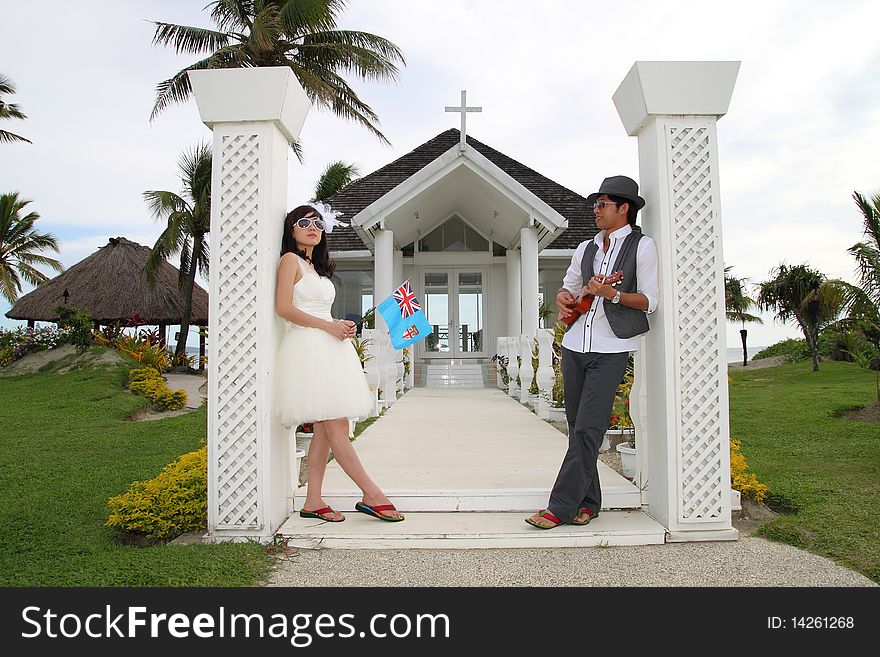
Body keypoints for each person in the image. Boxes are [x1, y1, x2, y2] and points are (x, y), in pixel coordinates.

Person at [526, 176, 659, 529]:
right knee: (577, 428)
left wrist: (612, 294)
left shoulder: (642, 247)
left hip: (611, 349)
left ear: (623, 208)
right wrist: (562, 298)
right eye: (595, 205)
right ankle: (589, 502)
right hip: (573, 346)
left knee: (588, 429)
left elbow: (650, 301)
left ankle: (560, 507)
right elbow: (567, 288)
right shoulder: (585, 248)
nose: (595, 210)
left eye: (602, 204)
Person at [274, 203, 404, 523]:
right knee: (335, 425)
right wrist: (328, 326)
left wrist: (338, 324)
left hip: (329, 346)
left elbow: (315, 309)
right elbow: (284, 308)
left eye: (318, 224)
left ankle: (313, 500)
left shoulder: (314, 268)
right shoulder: (289, 260)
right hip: (309, 349)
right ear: (291, 230)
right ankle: (371, 493)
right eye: (304, 222)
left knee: (325, 428)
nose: (313, 228)